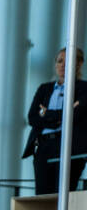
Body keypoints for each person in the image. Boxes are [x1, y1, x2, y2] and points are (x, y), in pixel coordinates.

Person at [23, 46, 87, 196]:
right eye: (59, 61)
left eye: (68, 61)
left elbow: (75, 116)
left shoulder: (84, 89)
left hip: (69, 148)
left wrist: (46, 113)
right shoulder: (44, 89)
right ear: (55, 64)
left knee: (63, 195)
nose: (63, 65)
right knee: (42, 196)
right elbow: (32, 117)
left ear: (79, 64)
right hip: (44, 146)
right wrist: (60, 116)